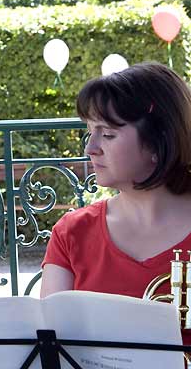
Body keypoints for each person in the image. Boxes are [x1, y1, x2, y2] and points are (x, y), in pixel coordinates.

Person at [40, 62, 191, 343]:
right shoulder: (71, 232)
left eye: (107, 134)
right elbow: (51, 343)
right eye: (90, 131)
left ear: (159, 143)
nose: (91, 148)